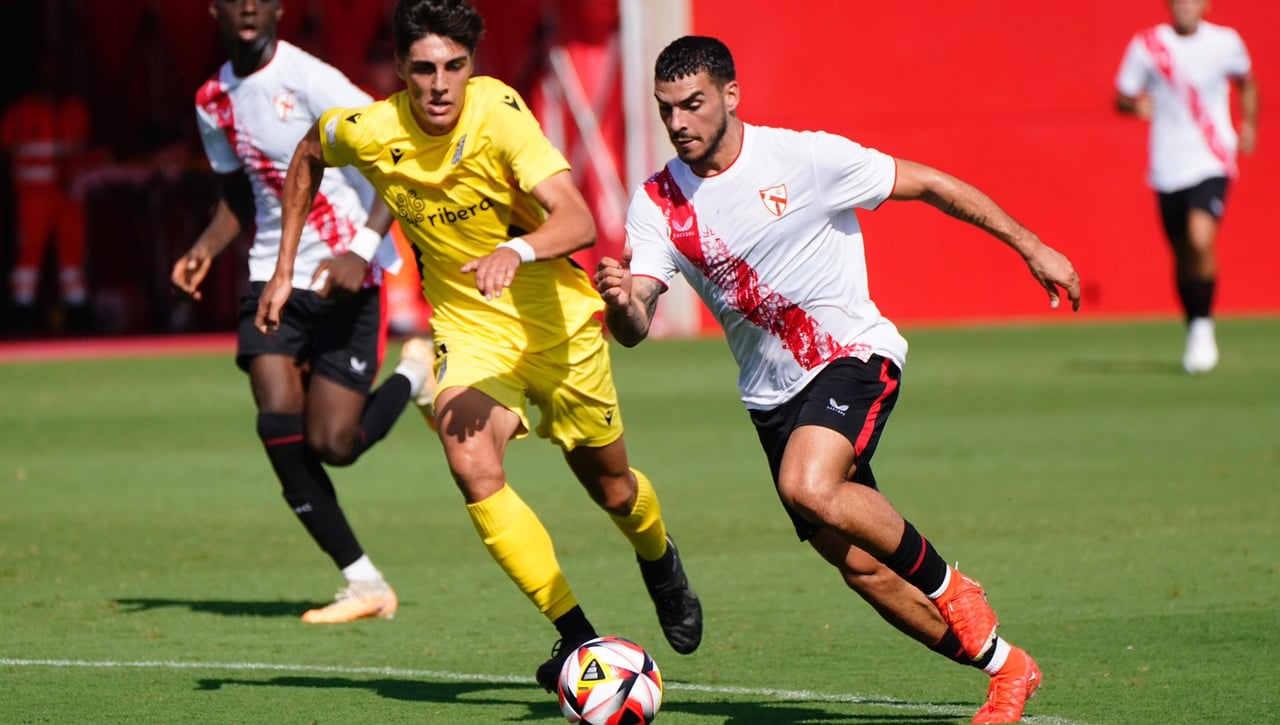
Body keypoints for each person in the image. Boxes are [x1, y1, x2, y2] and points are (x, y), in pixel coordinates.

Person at [597, 36, 1082, 724]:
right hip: (772, 401)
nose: (678, 122)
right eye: (666, 108)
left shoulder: (805, 159)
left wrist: (1032, 245)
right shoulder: (657, 201)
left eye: (693, 104)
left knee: (808, 483)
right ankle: (1008, 668)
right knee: (864, 569)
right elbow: (638, 317)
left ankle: (954, 587)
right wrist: (623, 304)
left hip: (853, 357)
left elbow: (934, 185)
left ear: (731, 96)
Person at [254, 0, 702, 692]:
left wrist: (516, 249)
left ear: (473, 65)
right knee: (470, 463)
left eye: (454, 67)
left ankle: (659, 558)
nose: (439, 84)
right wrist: (284, 269)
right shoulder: (373, 128)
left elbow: (577, 218)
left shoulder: (497, 112)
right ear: (401, 69)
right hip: (471, 333)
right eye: (424, 68)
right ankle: (577, 636)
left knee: (614, 490)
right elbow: (310, 152)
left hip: (558, 327)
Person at [172, 0, 433, 624]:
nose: (249, 7)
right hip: (272, 276)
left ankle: (414, 374)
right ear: (216, 9)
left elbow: (395, 154)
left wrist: (363, 249)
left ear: (279, 9)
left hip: (345, 276)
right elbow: (241, 194)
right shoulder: (213, 99)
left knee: (334, 444)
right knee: (276, 420)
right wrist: (205, 249)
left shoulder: (310, 79)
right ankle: (363, 581)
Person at [1114, 0, 1258, 375]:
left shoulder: (1225, 42)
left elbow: (1247, 83)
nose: (1185, 7)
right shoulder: (1149, 45)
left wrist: (1250, 124)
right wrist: (1136, 107)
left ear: (1206, 5)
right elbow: (1121, 96)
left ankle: (1204, 328)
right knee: (1181, 253)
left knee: (1199, 239)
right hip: (1167, 165)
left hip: (1212, 158)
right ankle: (1194, 323)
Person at [1, 53, 92, 333]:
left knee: (72, 261)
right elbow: (6, 152)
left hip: (68, 198)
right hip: (33, 198)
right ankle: (21, 313)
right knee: (28, 259)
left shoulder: (74, 109)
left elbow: (86, 150)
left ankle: (78, 316)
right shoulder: (20, 112)